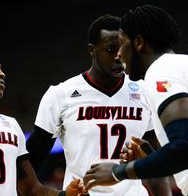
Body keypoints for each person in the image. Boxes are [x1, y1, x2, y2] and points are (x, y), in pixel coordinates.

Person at [82, 5, 188, 196]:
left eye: (121, 43)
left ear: (139, 42)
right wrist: (152, 157)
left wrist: (117, 172)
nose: (118, 54)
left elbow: (187, 149)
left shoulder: (161, 70)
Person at [26, 14, 172, 196]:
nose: (119, 57)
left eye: (122, 49)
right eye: (111, 50)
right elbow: (29, 167)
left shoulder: (144, 91)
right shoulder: (60, 95)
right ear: (92, 50)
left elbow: (155, 165)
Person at [0, 48, 86, 196]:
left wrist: (65, 195)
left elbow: (31, 189)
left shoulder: (11, 125)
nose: (2, 74)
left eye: (0, 68)